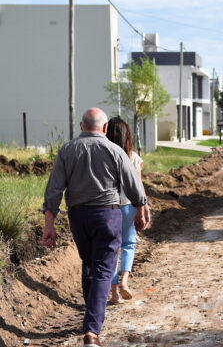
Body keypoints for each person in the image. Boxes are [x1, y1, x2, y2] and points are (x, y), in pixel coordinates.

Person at [42, 108, 148, 347]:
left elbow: (53, 190)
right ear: (104, 128)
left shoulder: (67, 150)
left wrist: (49, 225)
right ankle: (91, 332)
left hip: (78, 216)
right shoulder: (115, 150)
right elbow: (134, 186)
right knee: (102, 269)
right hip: (107, 216)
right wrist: (140, 212)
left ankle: (92, 317)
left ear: (81, 126)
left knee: (89, 264)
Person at [105, 117, 148, 304]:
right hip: (129, 206)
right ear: (127, 136)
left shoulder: (104, 155)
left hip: (109, 207)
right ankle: (124, 282)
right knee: (129, 245)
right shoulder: (133, 158)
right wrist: (144, 209)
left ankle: (114, 293)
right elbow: (139, 186)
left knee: (112, 249)